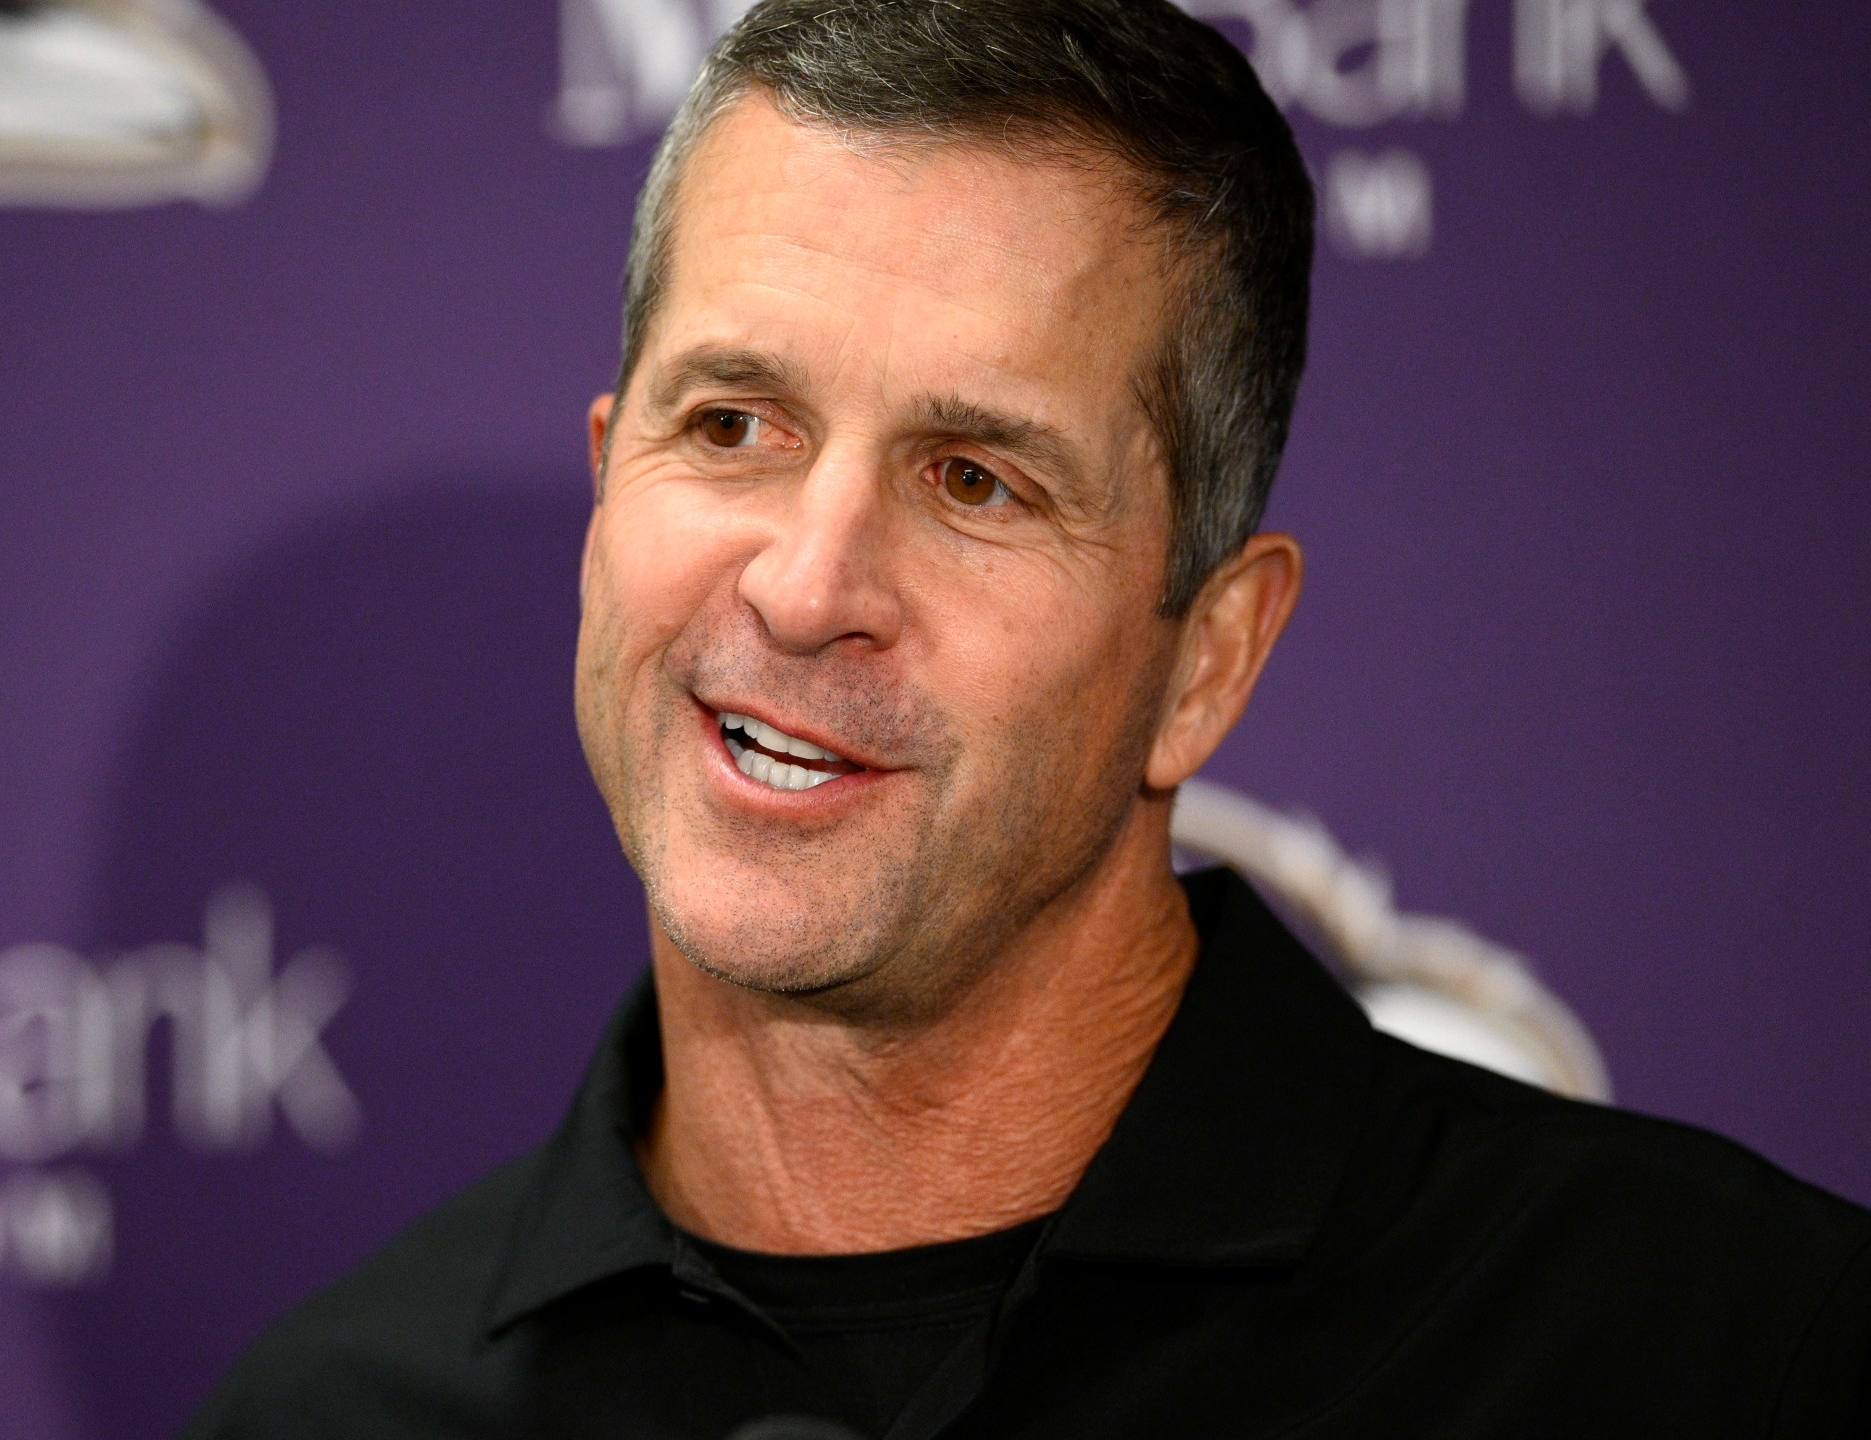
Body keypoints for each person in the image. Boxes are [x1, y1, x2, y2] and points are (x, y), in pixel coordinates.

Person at [179, 2, 1871, 1435]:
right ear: (609, 478)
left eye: (974, 479)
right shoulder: (331, 1409)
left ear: (1205, 658)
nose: (805, 581)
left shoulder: (1716, 1349)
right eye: (734, 426)